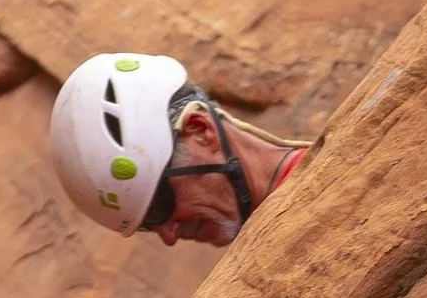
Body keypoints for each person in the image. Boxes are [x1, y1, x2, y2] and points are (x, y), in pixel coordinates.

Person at [47, 46, 308, 249]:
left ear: (201, 130)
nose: (169, 236)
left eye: (161, 204)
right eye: (149, 224)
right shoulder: (257, 263)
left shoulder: (330, 183)